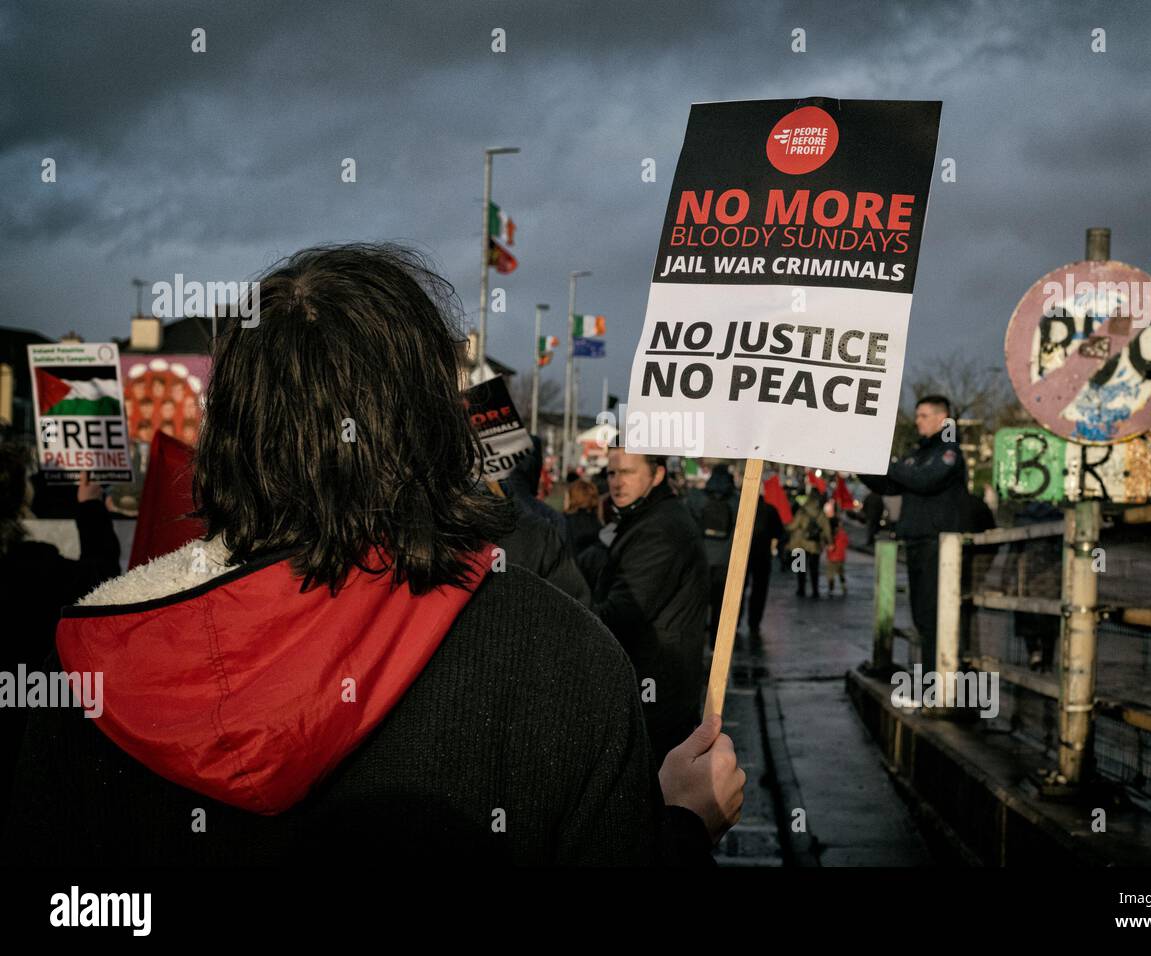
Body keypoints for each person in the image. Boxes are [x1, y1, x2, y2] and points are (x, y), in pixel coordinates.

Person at [3, 244, 743, 865]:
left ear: (226, 436)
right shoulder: (568, 661)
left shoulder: (94, 674)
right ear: (432, 426)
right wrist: (680, 830)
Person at [0, 455, 121, 832]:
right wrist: (90, 508)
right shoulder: (35, 570)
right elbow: (102, 582)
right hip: (26, 750)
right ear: (21, 499)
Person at [591, 447, 710, 764]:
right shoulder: (648, 517)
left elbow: (621, 615)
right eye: (612, 473)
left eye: (628, 472)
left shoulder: (659, 528)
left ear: (657, 474)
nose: (617, 482)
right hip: (656, 688)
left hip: (656, 695)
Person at [861, 395, 967, 674]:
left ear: (941, 418)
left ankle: (940, 681)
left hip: (939, 544)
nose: (917, 420)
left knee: (934, 615)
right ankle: (931, 677)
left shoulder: (948, 452)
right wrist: (862, 463)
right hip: (918, 541)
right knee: (921, 615)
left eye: (923, 415)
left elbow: (923, 480)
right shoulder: (919, 453)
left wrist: (888, 465)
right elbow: (889, 485)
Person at [687, 463, 740, 634]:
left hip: (702, 558)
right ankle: (716, 642)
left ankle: (699, 638)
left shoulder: (698, 498)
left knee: (699, 603)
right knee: (721, 604)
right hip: (726, 560)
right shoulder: (736, 501)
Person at [744, 497, 782, 639]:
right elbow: (779, 532)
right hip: (762, 554)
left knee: (739, 588)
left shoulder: (742, 505)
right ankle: (754, 622)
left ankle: (735, 621)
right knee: (759, 589)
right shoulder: (770, 509)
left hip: (743, 553)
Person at [786, 491, 831, 598]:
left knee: (801, 568)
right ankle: (815, 591)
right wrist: (830, 542)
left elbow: (794, 526)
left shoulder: (802, 512)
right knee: (814, 568)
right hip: (814, 544)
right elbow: (826, 529)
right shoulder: (821, 513)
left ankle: (801, 590)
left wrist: (786, 527)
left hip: (801, 544)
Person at [563, 478, 603, 558]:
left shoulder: (563, 522)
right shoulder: (597, 522)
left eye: (566, 498)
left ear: (572, 499)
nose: (564, 501)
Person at [824, 514, 849, 595]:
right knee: (841, 572)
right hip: (840, 558)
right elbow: (846, 542)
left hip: (831, 557)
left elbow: (826, 543)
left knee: (830, 574)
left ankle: (831, 588)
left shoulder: (829, 534)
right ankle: (843, 586)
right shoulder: (842, 534)